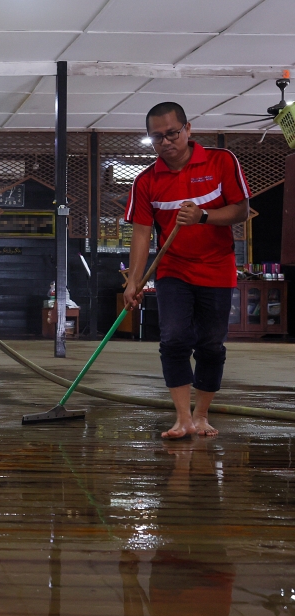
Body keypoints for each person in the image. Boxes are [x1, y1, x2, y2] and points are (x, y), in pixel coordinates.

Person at [123, 102, 250, 439]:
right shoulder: (146, 181)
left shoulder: (221, 161)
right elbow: (140, 232)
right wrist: (133, 280)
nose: (165, 142)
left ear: (188, 129)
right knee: (175, 338)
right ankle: (182, 419)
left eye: (172, 133)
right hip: (173, 269)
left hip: (217, 268)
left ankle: (202, 415)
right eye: (156, 137)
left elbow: (241, 210)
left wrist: (203, 217)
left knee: (210, 344)